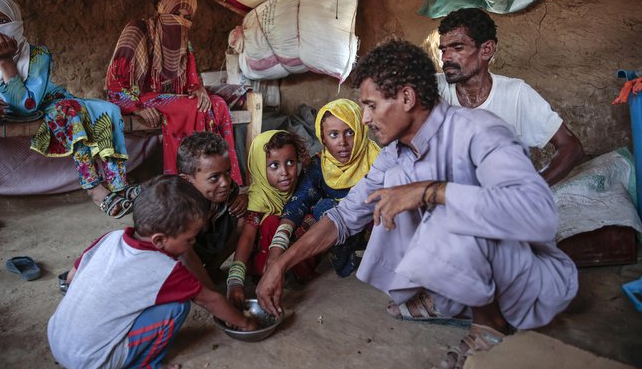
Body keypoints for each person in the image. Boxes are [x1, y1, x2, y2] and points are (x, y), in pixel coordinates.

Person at [256, 39, 578, 368]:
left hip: (526, 278)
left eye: (371, 105)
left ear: (407, 98)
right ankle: (446, 296)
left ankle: (491, 324)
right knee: (395, 185)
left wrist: (429, 191)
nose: (364, 119)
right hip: (481, 267)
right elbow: (344, 216)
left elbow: (537, 212)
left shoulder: (478, 132)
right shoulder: (395, 154)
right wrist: (280, 264)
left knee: (428, 194)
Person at [48, 175, 257, 369]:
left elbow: (71, 277)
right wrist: (245, 322)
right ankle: (146, 365)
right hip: (91, 362)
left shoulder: (111, 238)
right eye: (189, 239)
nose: (192, 245)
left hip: (57, 337)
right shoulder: (165, 269)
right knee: (177, 307)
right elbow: (210, 300)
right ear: (158, 240)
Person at [0, 0, 136, 218]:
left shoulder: (37, 55)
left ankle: (118, 183)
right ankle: (94, 187)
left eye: (2, 20)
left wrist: (6, 62)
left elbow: (27, 106)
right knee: (73, 111)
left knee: (104, 110)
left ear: (16, 24)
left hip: (45, 104)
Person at [106, 0, 242, 184]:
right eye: (175, 13)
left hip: (173, 98)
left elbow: (191, 81)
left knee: (218, 104)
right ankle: (186, 181)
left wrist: (199, 89)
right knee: (189, 106)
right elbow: (115, 83)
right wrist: (137, 108)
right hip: (138, 97)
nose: (180, 20)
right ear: (162, 10)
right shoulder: (137, 29)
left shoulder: (184, 42)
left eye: (187, 17)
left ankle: (227, 181)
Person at [436, 7, 584, 186]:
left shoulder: (516, 94)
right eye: (443, 50)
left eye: (457, 48)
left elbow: (571, 147)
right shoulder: (431, 88)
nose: (446, 57)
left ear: (486, 50)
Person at [266, 98, 381, 278]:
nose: (342, 142)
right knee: (321, 209)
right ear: (323, 138)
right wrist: (276, 251)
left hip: (375, 228)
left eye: (350, 132)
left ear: (361, 131)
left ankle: (381, 261)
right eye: (333, 135)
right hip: (336, 229)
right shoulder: (320, 164)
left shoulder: (378, 160)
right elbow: (299, 201)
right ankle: (346, 263)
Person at [227, 130, 308, 309]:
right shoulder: (259, 198)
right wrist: (235, 281)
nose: (284, 172)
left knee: (309, 218)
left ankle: (297, 271)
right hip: (264, 259)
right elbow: (247, 238)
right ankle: (265, 274)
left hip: (290, 254)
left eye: (290, 162)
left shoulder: (302, 188)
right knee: (271, 221)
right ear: (258, 167)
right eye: (274, 166)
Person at [177, 131, 248, 282]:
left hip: (209, 248)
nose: (225, 183)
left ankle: (211, 268)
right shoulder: (176, 206)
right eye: (214, 177)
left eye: (227, 173)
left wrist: (245, 198)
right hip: (178, 263)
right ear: (187, 180)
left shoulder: (230, 190)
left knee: (248, 218)